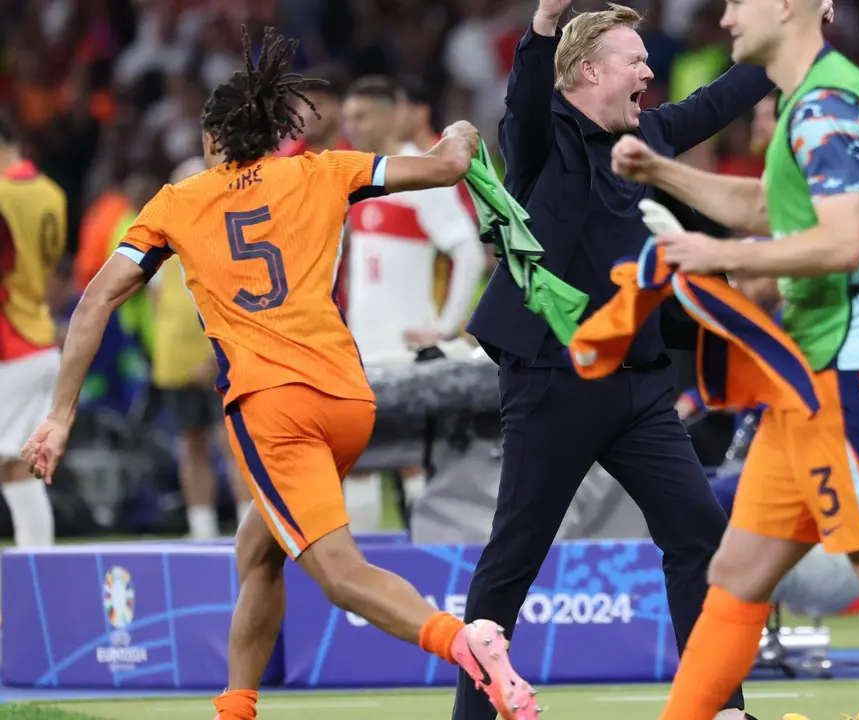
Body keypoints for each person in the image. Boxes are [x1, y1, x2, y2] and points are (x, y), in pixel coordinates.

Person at [19, 27, 537, 720]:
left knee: (339, 574)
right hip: (351, 400)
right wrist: (467, 131)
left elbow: (96, 300)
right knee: (259, 548)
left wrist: (59, 412)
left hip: (274, 410)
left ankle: (464, 643)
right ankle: (236, 707)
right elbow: (446, 166)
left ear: (211, 141)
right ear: (275, 133)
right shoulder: (325, 170)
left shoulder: (177, 203)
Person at [610, 0, 859, 716]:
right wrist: (664, 174)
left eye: (736, 2)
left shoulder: (824, 103)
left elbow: (840, 240)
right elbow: (772, 209)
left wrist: (716, 253)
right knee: (736, 572)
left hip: (852, 378)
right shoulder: (814, 97)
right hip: (813, 383)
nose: (724, 18)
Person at [456, 0, 801, 717]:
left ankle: (721, 707)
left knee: (699, 537)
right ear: (588, 70)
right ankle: (473, 712)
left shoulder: (649, 135)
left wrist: (789, 37)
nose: (651, 69)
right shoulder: (542, 138)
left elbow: (723, 98)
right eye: (635, 59)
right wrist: (545, 19)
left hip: (641, 388)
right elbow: (523, 98)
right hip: (553, 381)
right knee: (514, 558)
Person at [339, 75, 485, 529]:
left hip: (407, 348)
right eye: (348, 118)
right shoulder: (356, 177)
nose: (353, 126)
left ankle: (432, 566)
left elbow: (469, 252)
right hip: (364, 347)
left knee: (414, 462)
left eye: (361, 116)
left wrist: (445, 328)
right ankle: (361, 577)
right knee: (355, 460)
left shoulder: (421, 173)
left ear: (391, 115)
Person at [152, 156, 255, 539]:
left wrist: (217, 356)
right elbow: (156, 304)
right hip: (175, 361)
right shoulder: (161, 238)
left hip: (219, 356)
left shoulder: (228, 237)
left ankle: (248, 523)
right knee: (189, 443)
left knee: (232, 441)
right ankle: (202, 527)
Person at [0, 110, 64, 548]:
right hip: (41, 338)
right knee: (19, 469)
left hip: (10, 346)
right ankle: (37, 573)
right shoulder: (52, 193)